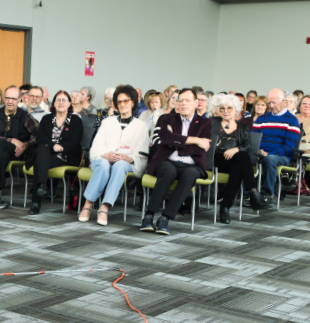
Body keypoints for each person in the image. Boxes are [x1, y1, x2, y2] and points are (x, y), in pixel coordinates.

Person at [139, 88, 212, 235]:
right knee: (168, 171)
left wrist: (176, 141)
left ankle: (165, 218)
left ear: (196, 103)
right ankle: (149, 215)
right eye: (180, 100)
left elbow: (200, 150)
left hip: (192, 165)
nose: (183, 103)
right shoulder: (167, 119)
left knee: (190, 174)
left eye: (187, 100)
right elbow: (166, 138)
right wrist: (195, 140)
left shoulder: (205, 123)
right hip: (167, 161)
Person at [79, 85, 149, 226]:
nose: (122, 104)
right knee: (104, 164)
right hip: (103, 159)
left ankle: (105, 206)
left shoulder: (141, 126)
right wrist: (105, 154)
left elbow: (142, 153)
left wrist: (130, 158)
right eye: (119, 101)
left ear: (133, 102)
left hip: (126, 162)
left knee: (120, 165)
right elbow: (95, 148)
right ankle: (88, 203)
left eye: (126, 101)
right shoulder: (107, 122)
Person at [211, 94, 267, 223]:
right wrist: (230, 151)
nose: (226, 111)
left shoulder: (243, 127)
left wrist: (235, 149)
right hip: (217, 160)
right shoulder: (213, 123)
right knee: (242, 158)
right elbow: (209, 144)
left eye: (229, 108)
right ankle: (253, 193)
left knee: (238, 166)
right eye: (222, 108)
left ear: (236, 110)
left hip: (234, 161)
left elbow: (248, 145)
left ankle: (225, 206)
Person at [29, 90, 83, 215]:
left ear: (69, 103)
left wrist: (61, 147)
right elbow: (41, 137)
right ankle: (42, 185)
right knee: (42, 149)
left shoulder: (76, 121)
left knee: (39, 162)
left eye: (64, 100)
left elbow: (75, 142)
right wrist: (53, 145)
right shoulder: (47, 119)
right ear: (54, 103)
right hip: (48, 152)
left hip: (67, 155)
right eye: (58, 100)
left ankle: (36, 202)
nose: (61, 103)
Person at [253, 88, 301, 198]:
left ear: (283, 102)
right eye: (269, 103)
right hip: (259, 153)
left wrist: (269, 154)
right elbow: (253, 140)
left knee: (270, 159)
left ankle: (267, 194)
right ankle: (248, 192)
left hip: (280, 156)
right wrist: (258, 151)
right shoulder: (261, 119)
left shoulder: (292, 120)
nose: (271, 106)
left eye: (274, 102)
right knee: (241, 155)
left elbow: (289, 147)